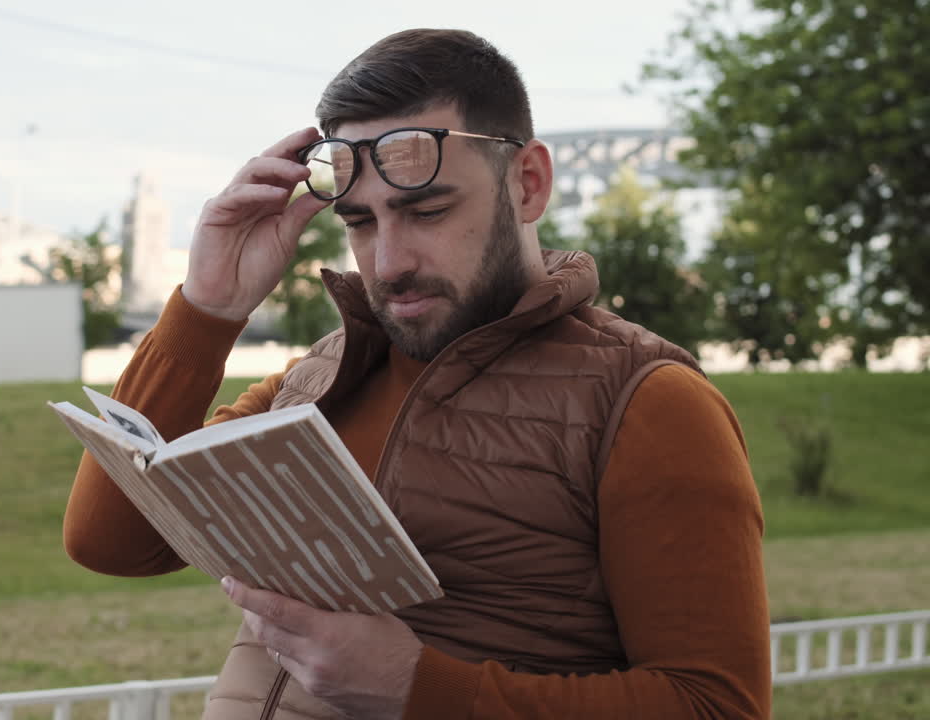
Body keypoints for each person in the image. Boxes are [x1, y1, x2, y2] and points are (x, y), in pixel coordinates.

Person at [64, 28, 770, 720]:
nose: (389, 261)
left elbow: (717, 706)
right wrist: (208, 308)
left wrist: (417, 689)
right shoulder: (318, 378)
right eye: (360, 223)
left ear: (528, 184)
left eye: (427, 211)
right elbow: (113, 543)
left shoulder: (646, 400)